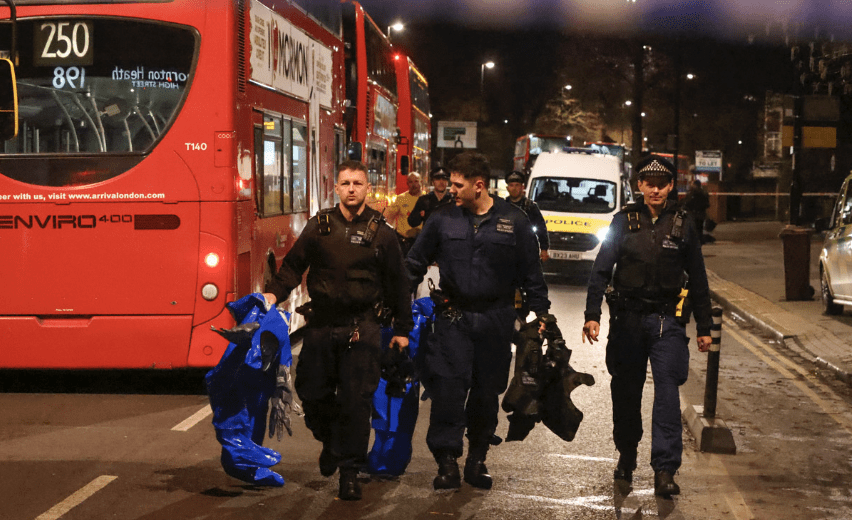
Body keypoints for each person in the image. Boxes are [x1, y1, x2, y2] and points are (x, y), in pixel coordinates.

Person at [262, 160, 413, 501]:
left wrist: (403, 330)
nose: (351, 189)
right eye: (345, 183)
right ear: (337, 188)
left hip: (363, 328)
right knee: (311, 392)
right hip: (322, 325)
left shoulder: (382, 233)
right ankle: (330, 441)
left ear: (365, 188)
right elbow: (292, 268)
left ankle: (349, 471)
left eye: (357, 183)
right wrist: (273, 294)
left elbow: (399, 285)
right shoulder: (320, 227)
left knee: (356, 402)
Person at [406, 151, 552, 491]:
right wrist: (395, 302)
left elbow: (532, 275)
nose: (451, 190)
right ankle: (446, 460)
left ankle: (477, 458)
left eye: (458, 185)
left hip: (497, 319)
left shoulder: (514, 221)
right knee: (448, 389)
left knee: (487, 392)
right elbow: (414, 263)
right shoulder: (443, 219)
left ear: (479, 185)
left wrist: (542, 314)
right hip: (453, 317)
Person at [580, 154, 712, 497]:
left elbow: (698, 278)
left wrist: (704, 327)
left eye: (662, 184)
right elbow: (601, 269)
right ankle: (626, 454)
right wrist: (592, 314)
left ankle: (665, 470)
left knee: (667, 394)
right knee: (625, 393)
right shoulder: (623, 221)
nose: (655, 190)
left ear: (671, 186)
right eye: (648, 183)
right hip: (627, 321)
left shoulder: (683, 223)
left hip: (667, 321)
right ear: (638, 185)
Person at [505, 170, 549, 262]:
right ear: (507, 188)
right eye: (511, 185)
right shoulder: (502, 206)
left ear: (522, 187)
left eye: (517, 185)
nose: (514, 188)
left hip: (526, 251)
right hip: (507, 250)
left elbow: (541, 228)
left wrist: (544, 249)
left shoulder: (530, 207)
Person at [385, 172, 423, 256]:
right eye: (410, 182)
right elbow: (389, 219)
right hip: (403, 244)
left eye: (416, 181)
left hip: (421, 244)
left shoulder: (427, 199)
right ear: (407, 184)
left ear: (421, 182)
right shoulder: (400, 199)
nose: (413, 184)